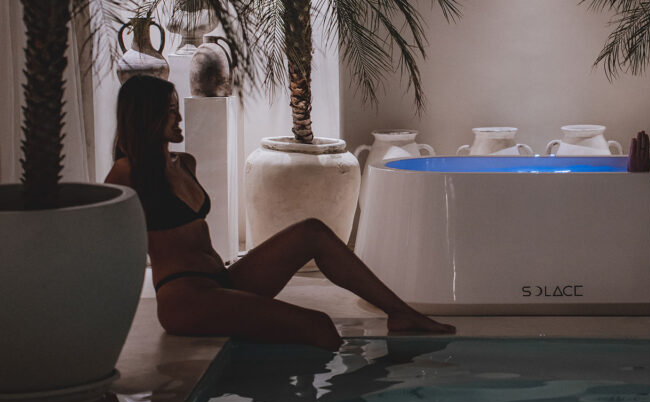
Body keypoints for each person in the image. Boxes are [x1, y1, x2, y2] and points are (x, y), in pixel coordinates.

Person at [105, 75, 455, 351]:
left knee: (312, 232)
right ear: (145, 115)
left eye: (176, 106)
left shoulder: (185, 163)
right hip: (185, 298)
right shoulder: (127, 172)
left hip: (223, 280)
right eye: (169, 109)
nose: (179, 116)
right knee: (317, 325)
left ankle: (399, 312)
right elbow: (107, 239)